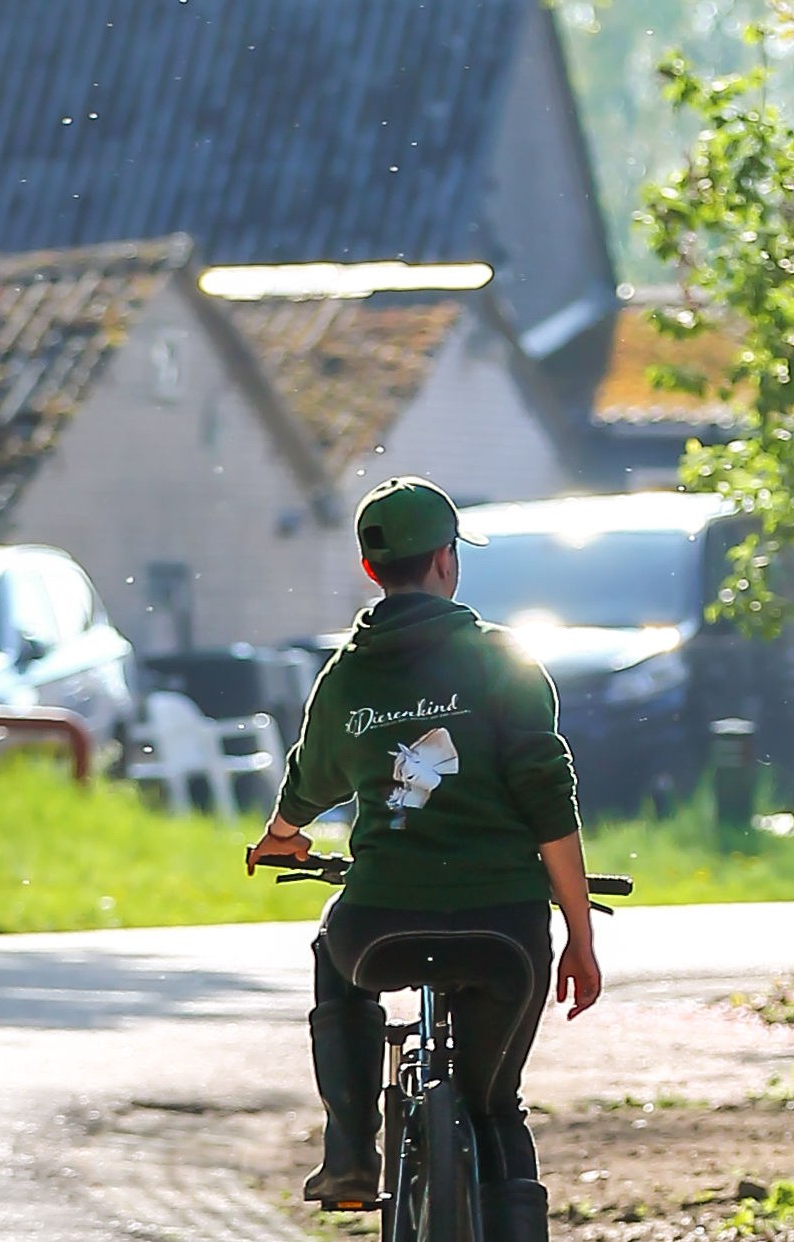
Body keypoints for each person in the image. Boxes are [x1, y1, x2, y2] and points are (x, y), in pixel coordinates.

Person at [246, 476, 601, 1242]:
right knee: (493, 1104)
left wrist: (282, 834)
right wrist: (579, 932)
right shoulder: (505, 662)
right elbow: (549, 804)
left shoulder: (346, 676)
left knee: (331, 953)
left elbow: (309, 780)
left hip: (379, 929)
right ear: (447, 560)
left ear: (372, 569)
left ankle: (347, 1155)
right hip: (504, 933)